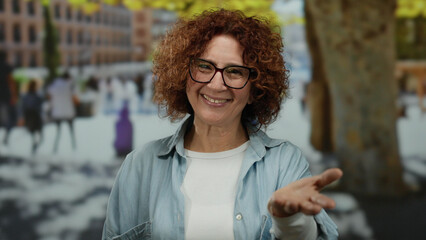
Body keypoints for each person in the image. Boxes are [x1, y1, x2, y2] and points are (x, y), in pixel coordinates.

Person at [102, 9, 343, 240]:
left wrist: (290, 222)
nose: (217, 85)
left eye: (235, 72)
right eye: (205, 67)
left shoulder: (284, 163)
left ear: (254, 90)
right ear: (183, 75)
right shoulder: (140, 166)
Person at [47, 71, 77, 153]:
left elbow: (49, 96)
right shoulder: (69, 85)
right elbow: (75, 99)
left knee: (58, 131)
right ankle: (74, 146)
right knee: (71, 131)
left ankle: (55, 147)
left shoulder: (54, 85)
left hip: (57, 112)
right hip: (68, 112)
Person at [0, 52, 18, 145]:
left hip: (4, 97)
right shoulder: (7, 67)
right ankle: (6, 138)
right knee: (9, 119)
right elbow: (11, 82)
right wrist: (14, 95)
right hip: (5, 97)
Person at [21, 79, 44, 153]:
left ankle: (34, 146)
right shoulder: (37, 96)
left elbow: (23, 108)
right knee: (40, 136)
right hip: (35, 118)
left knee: (34, 135)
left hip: (30, 118)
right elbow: (39, 107)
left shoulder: (26, 96)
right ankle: (34, 146)